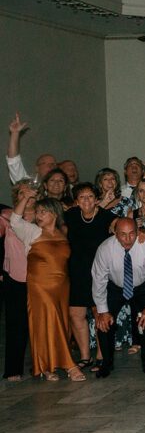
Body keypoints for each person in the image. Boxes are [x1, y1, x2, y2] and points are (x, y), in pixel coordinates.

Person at [9, 195, 85, 381]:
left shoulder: (63, 231)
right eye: (37, 212)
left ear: (54, 213)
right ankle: (69, 365)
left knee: (58, 321)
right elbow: (14, 220)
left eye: (43, 211)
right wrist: (25, 198)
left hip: (62, 286)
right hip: (40, 286)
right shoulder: (32, 231)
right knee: (48, 319)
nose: (39, 215)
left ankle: (46, 366)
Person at [91, 218, 145, 376]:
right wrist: (102, 310)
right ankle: (106, 363)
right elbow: (99, 280)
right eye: (123, 235)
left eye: (131, 234)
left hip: (140, 286)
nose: (127, 239)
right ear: (115, 234)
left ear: (137, 232)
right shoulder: (105, 249)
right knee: (103, 322)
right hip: (115, 286)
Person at [65, 183, 116, 370]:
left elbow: (118, 226)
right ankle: (85, 356)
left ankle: (102, 354)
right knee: (75, 314)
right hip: (77, 271)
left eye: (90, 197)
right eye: (82, 197)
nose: (86, 200)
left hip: (99, 272)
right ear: (76, 201)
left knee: (99, 313)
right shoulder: (70, 216)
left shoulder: (104, 216)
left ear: (96, 200)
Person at [1, 180, 34, 380]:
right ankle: (13, 369)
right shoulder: (6, 218)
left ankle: (41, 366)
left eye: (31, 193)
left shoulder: (43, 216)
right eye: (23, 193)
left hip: (38, 277)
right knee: (16, 324)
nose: (28, 196)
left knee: (38, 324)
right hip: (14, 277)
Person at [6, 112, 57, 184]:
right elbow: (13, 161)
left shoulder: (65, 188)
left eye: (54, 164)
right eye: (46, 164)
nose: (51, 167)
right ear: (37, 168)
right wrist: (15, 133)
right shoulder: (29, 186)